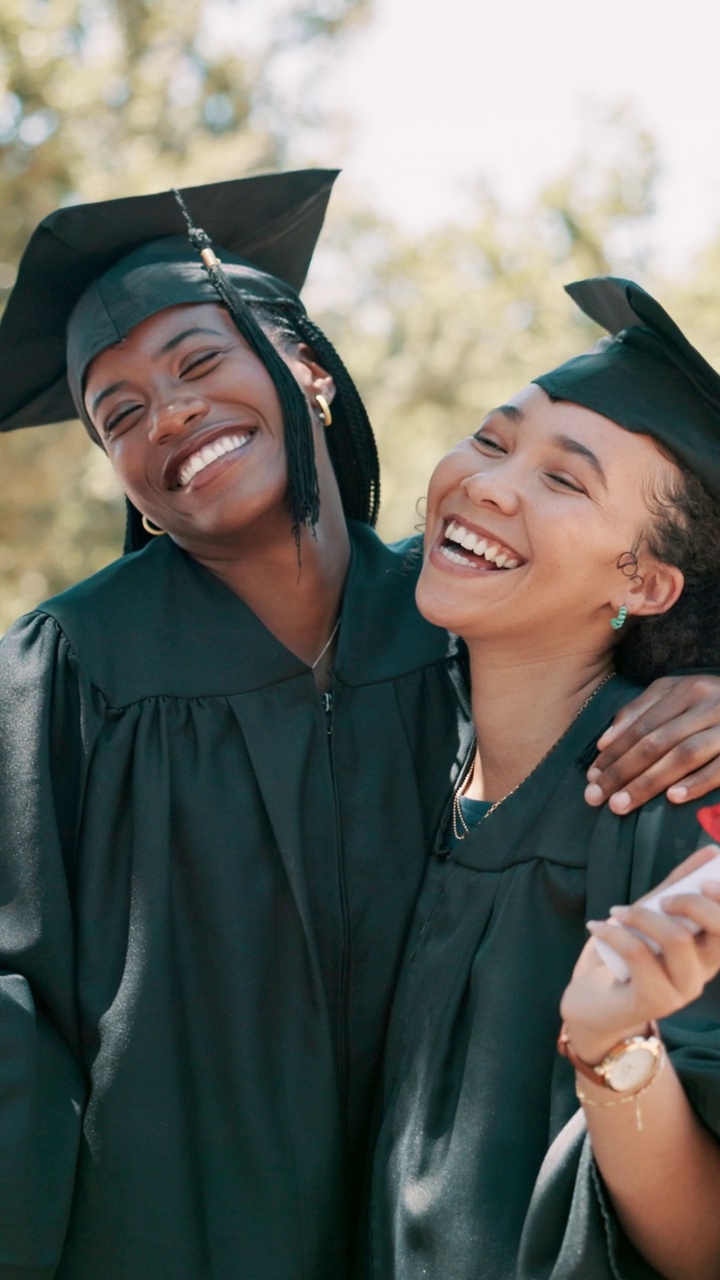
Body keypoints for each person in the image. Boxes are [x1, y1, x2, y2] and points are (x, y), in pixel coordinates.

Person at [0, 180, 718, 1280]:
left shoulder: (457, 637)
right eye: (120, 414)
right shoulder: (75, 668)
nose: (171, 414)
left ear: (310, 369)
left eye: (200, 362)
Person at [364, 277, 720, 1280]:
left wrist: (613, 1046)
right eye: (490, 438)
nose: (489, 482)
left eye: (565, 481)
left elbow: (704, 1245)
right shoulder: (395, 758)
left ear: (643, 582)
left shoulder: (676, 803)